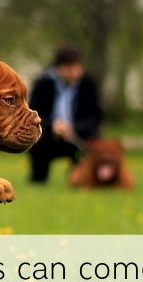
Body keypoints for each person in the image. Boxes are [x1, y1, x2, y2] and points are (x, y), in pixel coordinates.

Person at [28, 46, 103, 183]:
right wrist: (52, 125)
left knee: (95, 140)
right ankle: (38, 178)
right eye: (70, 68)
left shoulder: (87, 84)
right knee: (37, 141)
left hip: (78, 136)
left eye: (77, 67)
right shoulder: (42, 84)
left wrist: (74, 127)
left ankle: (82, 178)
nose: (75, 72)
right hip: (49, 135)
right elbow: (33, 113)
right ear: (59, 69)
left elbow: (95, 116)